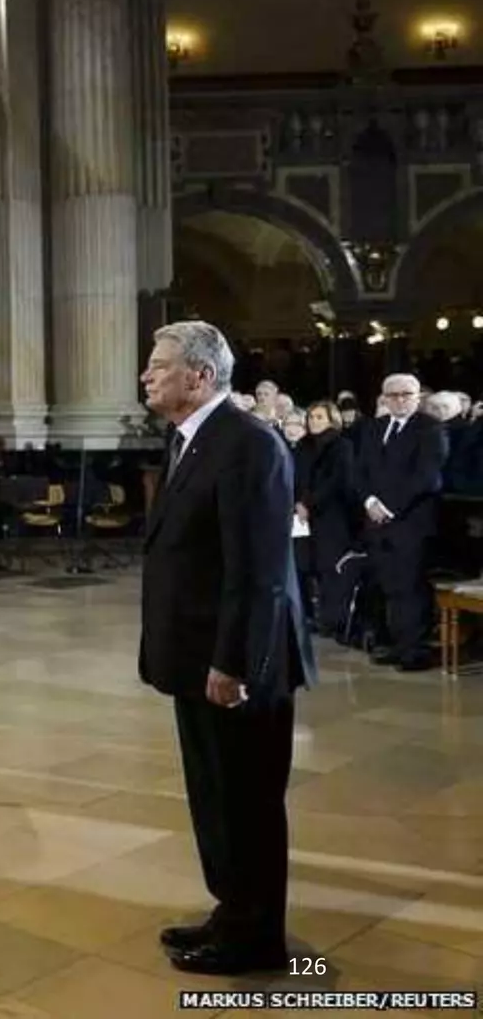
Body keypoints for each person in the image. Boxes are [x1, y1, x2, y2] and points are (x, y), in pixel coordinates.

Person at [138, 320, 311, 976]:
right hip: (195, 657)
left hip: (238, 663)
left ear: (200, 376)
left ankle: (256, 937)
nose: (147, 375)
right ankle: (231, 911)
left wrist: (232, 663)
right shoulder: (189, 440)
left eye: (159, 365)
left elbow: (259, 570)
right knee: (214, 795)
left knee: (248, 800)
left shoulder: (248, 444)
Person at [356, 374, 447, 671]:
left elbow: (427, 477)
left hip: (412, 523)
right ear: (383, 399)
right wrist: (369, 502)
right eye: (392, 396)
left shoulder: (430, 429)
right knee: (388, 586)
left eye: (405, 394)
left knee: (410, 588)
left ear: (417, 397)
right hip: (376, 521)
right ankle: (397, 644)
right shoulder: (375, 428)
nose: (399, 400)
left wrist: (389, 507)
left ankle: (415, 651)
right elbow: (360, 471)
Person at [297, 401, 359, 640]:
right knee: (304, 566)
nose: (314, 421)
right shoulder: (302, 446)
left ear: (332, 420)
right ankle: (309, 616)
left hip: (331, 516)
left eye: (319, 417)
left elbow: (338, 481)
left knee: (329, 568)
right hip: (302, 515)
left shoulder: (342, 446)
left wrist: (310, 503)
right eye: (311, 417)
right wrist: (298, 502)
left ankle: (333, 620)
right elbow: (294, 477)